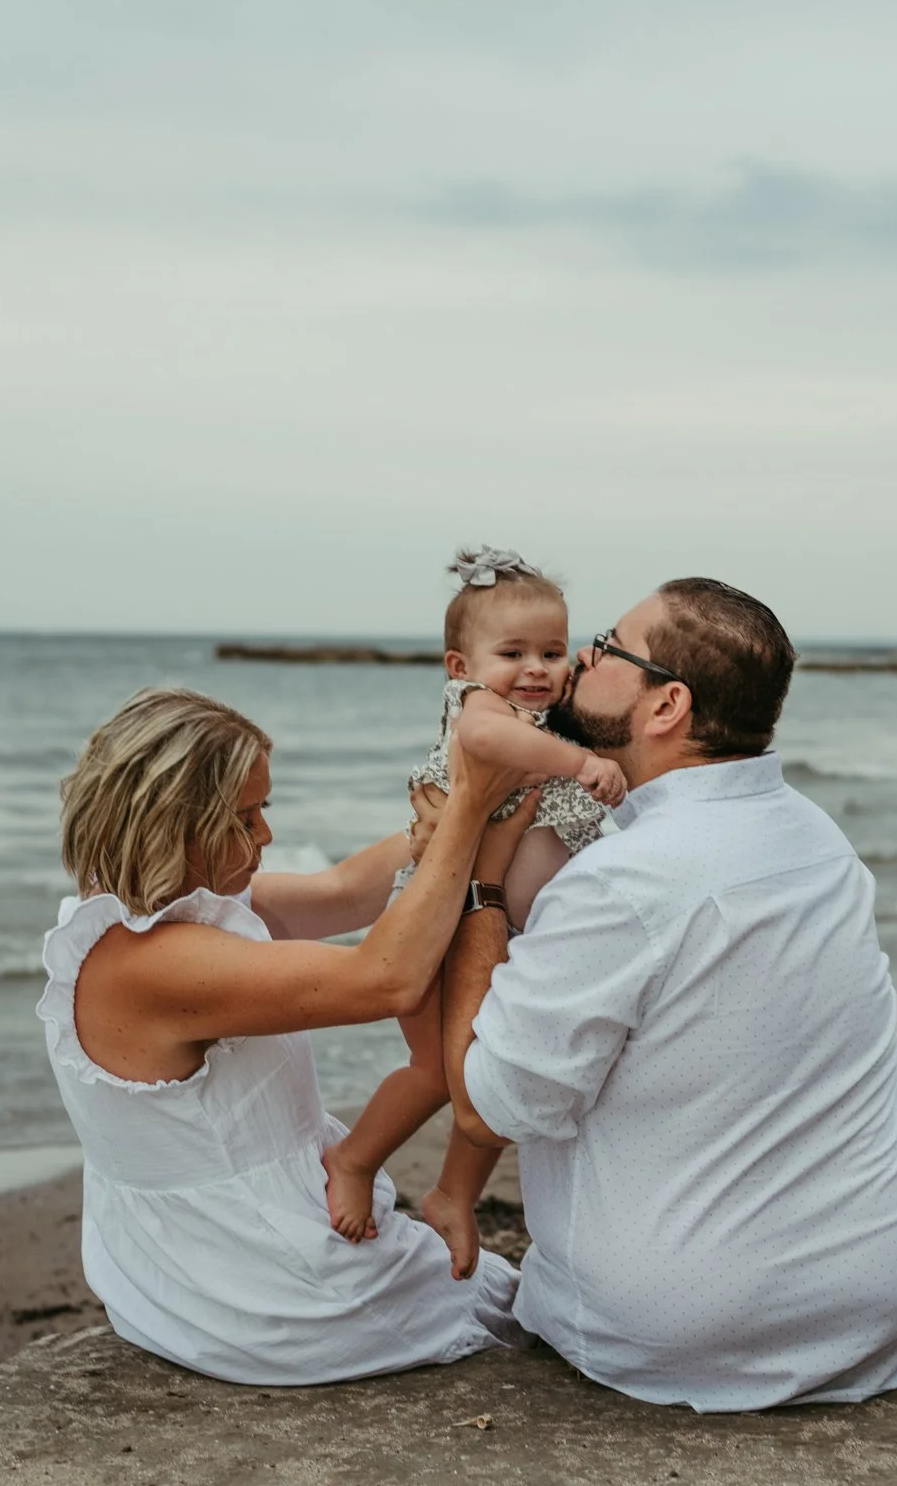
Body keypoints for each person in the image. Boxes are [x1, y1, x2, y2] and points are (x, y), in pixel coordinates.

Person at [436, 578, 897, 1412]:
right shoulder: (819, 838)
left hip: (687, 1327)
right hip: (881, 1293)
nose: (580, 660)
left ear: (666, 704)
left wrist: (481, 892)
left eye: (605, 646)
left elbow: (487, 1110)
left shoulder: (622, 879)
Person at [37, 685, 532, 1386]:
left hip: (187, 1267)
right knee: (526, 1307)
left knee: (515, 1293)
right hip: (264, 1284)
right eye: (244, 817)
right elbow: (386, 979)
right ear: (170, 824)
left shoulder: (174, 909)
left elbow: (345, 891)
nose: (265, 834)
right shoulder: (151, 964)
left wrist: (438, 828)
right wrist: (474, 814)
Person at [325, 546, 626, 1280]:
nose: (536, 668)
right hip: (450, 919)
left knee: (489, 1074)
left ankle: (454, 1195)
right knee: (435, 1068)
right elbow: (487, 742)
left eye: (553, 652)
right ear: (460, 668)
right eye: (512, 652)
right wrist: (578, 765)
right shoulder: (483, 711)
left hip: (508, 935)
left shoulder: (553, 725)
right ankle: (354, 1160)